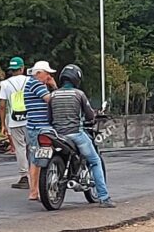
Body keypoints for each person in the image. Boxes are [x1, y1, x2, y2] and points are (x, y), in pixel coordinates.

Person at [48, 64, 115, 208]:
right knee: (95, 161)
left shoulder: (53, 95)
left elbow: (49, 117)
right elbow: (90, 115)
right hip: (76, 134)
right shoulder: (79, 94)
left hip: (57, 135)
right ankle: (104, 197)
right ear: (76, 79)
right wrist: (93, 117)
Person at [24, 61, 57, 200]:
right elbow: (51, 100)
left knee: (36, 158)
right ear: (38, 73)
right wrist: (54, 86)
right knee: (36, 159)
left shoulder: (33, 84)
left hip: (36, 126)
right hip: (39, 127)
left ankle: (35, 190)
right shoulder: (36, 84)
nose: (48, 76)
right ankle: (34, 190)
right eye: (47, 73)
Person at [0, 57, 30, 189]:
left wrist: (3, 124)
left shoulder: (5, 84)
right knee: (32, 147)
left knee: (20, 148)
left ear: (11, 70)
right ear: (22, 68)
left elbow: (2, 105)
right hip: (30, 119)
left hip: (14, 120)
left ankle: (24, 176)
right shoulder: (30, 81)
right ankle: (36, 174)